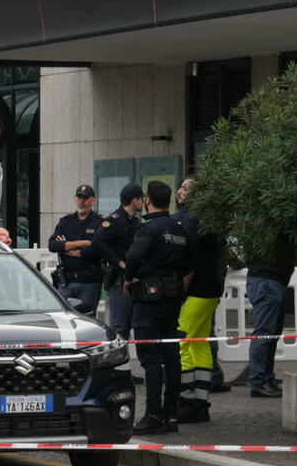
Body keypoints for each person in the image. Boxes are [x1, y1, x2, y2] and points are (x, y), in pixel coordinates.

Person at [123, 181, 193, 435]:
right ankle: (170, 414)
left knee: (150, 358)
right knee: (171, 357)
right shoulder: (179, 230)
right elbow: (187, 265)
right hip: (172, 297)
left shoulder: (148, 229)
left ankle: (153, 414)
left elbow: (133, 257)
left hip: (149, 299)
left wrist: (129, 279)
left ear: (148, 201)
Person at [172, 176, 225, 423]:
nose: (180, 191)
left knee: (182, 342)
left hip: (195, 289)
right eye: (181, 187)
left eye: (186, 188)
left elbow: (188, 259)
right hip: (211, 287)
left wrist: (181, 290)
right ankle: (201, 401)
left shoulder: (189, 220)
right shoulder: (210, 219)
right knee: (199, 342)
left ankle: (186, 399)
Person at [92, 183, 144, 339]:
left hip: (132, 279)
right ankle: (112, 362)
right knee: (118, 326)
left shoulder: (134, 222)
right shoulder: (114, 220)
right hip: (118, 279)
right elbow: (98, 242)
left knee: (128, 326)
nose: (143, 202)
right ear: (135, 201)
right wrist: (119, 263)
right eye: (141, 199)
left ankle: (123, 362)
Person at [246, 245, 295, 398]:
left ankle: (265, 377)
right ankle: (259, 381)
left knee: (271, 334)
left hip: (272, 280)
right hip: (268, 279)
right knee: (265, 334)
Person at [48, 184, 104, 315]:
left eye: (85, 198)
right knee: (62, 317)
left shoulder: (99, 222)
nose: (81, 201)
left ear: (93, 200)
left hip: (89, 282)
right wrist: (83, 243)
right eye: (79, 197)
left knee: (87, 320)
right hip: (66, 282)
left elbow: (97, 249)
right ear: (75, 199)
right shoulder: (65, 222)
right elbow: (53, 245)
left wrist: (67, 247)